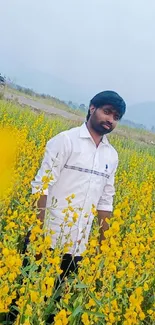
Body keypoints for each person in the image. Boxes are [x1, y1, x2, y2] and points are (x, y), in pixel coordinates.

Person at [31, 90, 126, 276]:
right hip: (48, 238)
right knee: (30, 299)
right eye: (107, 112)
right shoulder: (66, 141)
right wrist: (36, 235)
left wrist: (102, 246)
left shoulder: (111, 155)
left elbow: (105, 201)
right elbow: (41, 186)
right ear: (92, 108)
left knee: (62, 300)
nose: (110, 120)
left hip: (78, 247)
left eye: (116, 117)